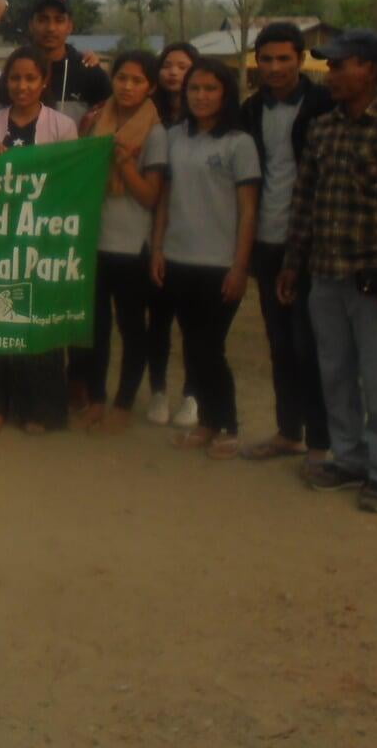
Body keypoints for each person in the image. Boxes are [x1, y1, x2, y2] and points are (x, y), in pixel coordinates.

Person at [278, 29, 377, 514]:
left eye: (339, 64)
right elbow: (305, 201)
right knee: (336, 373)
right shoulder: (323, 129)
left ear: (368, 70)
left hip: (376, 281)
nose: (330, 74)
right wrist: (293, 263)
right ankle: (348, 458)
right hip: (325, 274)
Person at [150, 58, 259, 460]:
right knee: (193, 347)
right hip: (177, 258)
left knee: (211, 347)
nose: (201, 96)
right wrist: (157, 248)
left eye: (210, 89)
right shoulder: (173, 137)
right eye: (194, 88)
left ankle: (228, 425)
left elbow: (249, 210)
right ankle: (207, 423)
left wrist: (240, 267)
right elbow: (164, 200)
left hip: (220, 264)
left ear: (226, 94)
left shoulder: (239, 143)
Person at [0, 46, 78, 432]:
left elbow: (69, 182)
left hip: (42, 238)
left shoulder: (62, 126)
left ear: (44, 81)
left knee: (37, 321)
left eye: (31, 78)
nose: (22, 85)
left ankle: (38, 409)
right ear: (6, 82)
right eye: (15, 78)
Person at [239, 24, 334, 466]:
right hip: (266, 240)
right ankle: (288, 431)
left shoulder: (324, 106)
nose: (274, 67)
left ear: (300, 59)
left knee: (309, 345)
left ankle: (321, 441)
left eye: (283, 58)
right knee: (279, 343)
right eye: (266, 59)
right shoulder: (250, 110)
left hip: (312, 243)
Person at [74, 50, 167, 434]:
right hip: (94, 240)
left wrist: (124, 162)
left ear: (151, 87)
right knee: (94, 327)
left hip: (133, 246)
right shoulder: (95, 121)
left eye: (137, 80)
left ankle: (124, 403)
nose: (127, 87)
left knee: (131, 328)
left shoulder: (156, 134)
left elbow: (150, 196)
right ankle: (96, 397)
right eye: (121, 78)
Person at [150, 40, 202, 427]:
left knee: (193, 322)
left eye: (183, 66)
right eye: (168, 65)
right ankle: (157, 390)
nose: (173, 72)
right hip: (151, 225)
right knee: (157, 318)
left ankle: (192, 395)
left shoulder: (205, 119)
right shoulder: (147, 115)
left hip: (194, 228)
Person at [0, 0, 112, 125]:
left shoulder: (89, 71)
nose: (51, 28)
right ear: (31, 25)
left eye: (59, 20)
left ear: (70, 26)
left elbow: (114, 118)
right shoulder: (15, 71)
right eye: (43, 20)